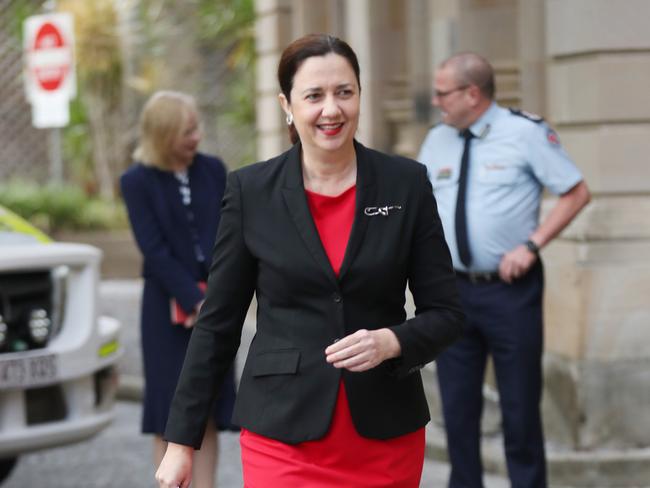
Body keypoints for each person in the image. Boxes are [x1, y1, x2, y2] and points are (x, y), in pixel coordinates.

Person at [155, 34, 464, 488]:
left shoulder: (406, 184)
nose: (331, 109)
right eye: (314, 96)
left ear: (360, 94)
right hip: (282, 437)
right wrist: (181, 443)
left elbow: (447, 314)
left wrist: (392, 342)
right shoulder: (250, 192)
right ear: (287, 104)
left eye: (344, 92)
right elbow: (217, 325)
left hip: (384, 435)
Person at [417, 52, 591, 488]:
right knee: (456, 411)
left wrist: (532, 246)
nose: (435, 101)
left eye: (442, 93)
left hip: (509, 292)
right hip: (451, 293)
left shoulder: (524, 133)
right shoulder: (437, 139)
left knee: (519, 410)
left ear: (471, 93)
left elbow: (575, 192)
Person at [120, 90, 238, 488]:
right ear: (164, 134)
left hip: (215, 305)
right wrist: (193, 297)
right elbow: (153, 249)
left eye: (197, 127)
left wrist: (217, 297)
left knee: (205, 405)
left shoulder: (213, 170)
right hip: (165, 314)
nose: (197, 136)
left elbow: (229, 234)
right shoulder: (136, 181)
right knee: (170, 413)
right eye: (187, 130)